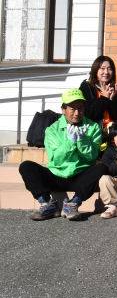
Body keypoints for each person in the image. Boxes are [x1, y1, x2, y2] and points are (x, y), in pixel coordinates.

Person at [19, 88, 104, 221]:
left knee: (101, 167)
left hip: (80, 175)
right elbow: (56, 160)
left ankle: (73, 204)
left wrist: (81, 141)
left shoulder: (93, 127)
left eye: (80, 108)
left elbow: (92, 157)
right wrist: (70, 142)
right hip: (56, 174)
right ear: (63, 109)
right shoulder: (52, 130)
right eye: (72, 109)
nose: (77, 113)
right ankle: (47, 204)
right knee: (26, 166)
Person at [79, 55, 117, 132]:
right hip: (92, 129)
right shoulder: (86, 87)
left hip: (113, 130)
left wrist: (113, 100)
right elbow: (89, 114)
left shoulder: (116, 90)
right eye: (102, 68)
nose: (106, 72)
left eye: (109, 69)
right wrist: (104, 99)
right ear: (96, 70)